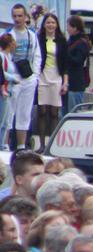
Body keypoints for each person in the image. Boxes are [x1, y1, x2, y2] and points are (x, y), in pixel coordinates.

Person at [6, 4, 41, 151]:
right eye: (14, 16)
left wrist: (35, 75)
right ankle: (5, 144)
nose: (17, 19)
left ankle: (21, 146)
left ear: (26, 17)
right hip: (13, 79)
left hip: (28, 78)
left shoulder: (31, 34)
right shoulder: (8, 35)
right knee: (8, 113)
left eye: (20, 16)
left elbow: (37, 56)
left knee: (24, 114)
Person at [33, 13, 65, 152]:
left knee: (54, 113)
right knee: (41, 111)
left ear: (56, 25)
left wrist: (65, 82)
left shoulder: (61, 40)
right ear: (44, 25)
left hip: (56, 76)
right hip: (42, 76)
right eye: (48, 23)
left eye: (53, 23)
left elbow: (65, 63)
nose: (50, 25)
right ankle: (41, 145)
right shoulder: (39, 39)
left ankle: (52, 144)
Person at [64, 16, 90, 113]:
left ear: (75, 28)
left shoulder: (81, 43)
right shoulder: (71, 40)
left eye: (68, 26)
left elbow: (78, 61)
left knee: (74, 111)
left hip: (76, 83)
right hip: (67, 83)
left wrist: (65, 54)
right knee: (64, 112)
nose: (67, 28)